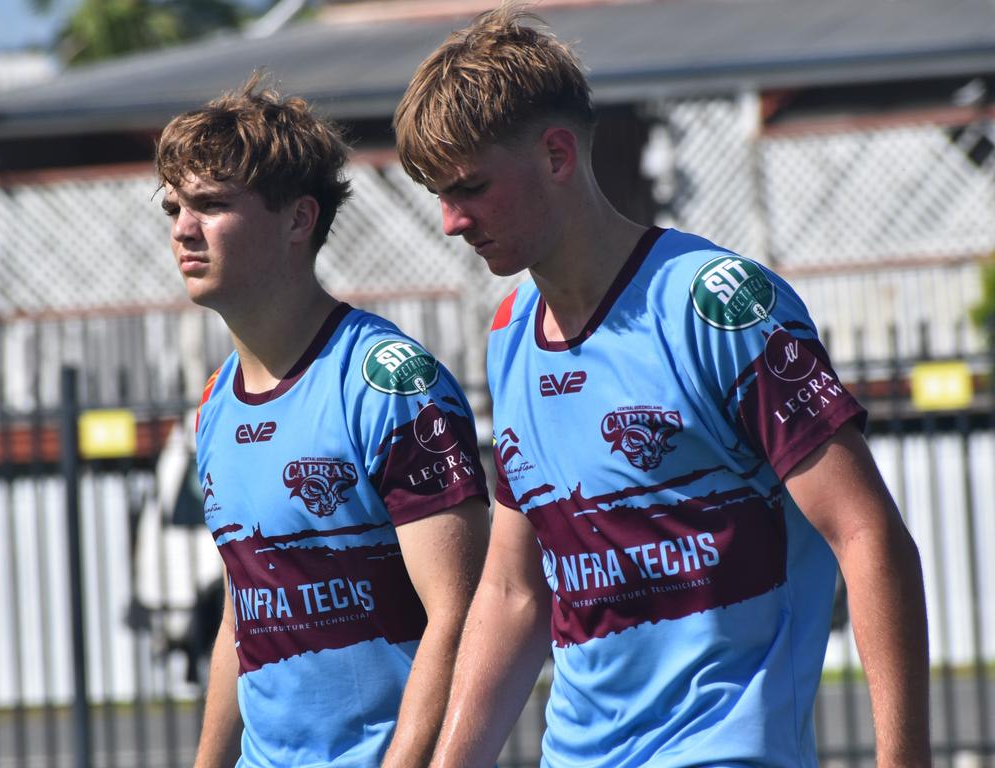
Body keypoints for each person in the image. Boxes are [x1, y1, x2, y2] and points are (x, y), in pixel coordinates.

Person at [394, 7, 931, 767]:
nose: (450, 221)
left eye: (470, 187)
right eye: (435, 194)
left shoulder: (719, 306)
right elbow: (515, 592)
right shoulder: (512, 331)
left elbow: (868, 535)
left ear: (556, 155)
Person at [155, 73, 491, 768]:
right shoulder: (216, 402)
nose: (183, 229)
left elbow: (459, 621)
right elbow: (238, 621)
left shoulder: (391, 383)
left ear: (299, 220)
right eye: (172, 208)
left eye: (211, 205)